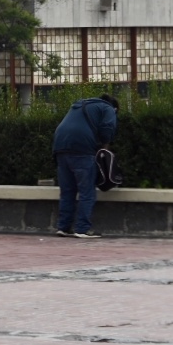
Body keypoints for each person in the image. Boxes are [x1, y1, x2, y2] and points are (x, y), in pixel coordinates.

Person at [53, 93, 120, 239]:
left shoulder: (79, 105)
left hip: (60, 146)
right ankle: (82, 229)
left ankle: (63, 227)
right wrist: (105, 148)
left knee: (67, 191)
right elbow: (107, 129)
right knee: (87, 191)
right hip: (82, 148)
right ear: (115, 108)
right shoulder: (108, 108)